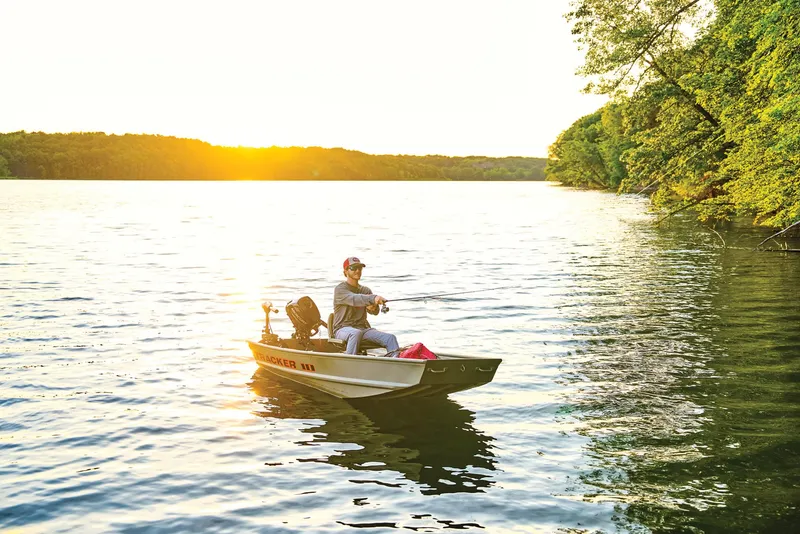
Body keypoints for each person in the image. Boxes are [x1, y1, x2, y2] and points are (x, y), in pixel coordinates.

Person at [333, 256, 399, 355]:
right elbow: (354, 299)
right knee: (355, 333)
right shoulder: (340, 290)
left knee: (390, 338)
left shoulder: (365, 290)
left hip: (363, 329)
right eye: (353, 268)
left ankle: (396, 364)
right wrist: (373, 298)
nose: (357, 270)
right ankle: (350, 364)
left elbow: (374, 312)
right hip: (342, 329)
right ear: (346, 271)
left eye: (360, 268)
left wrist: (373, 307)